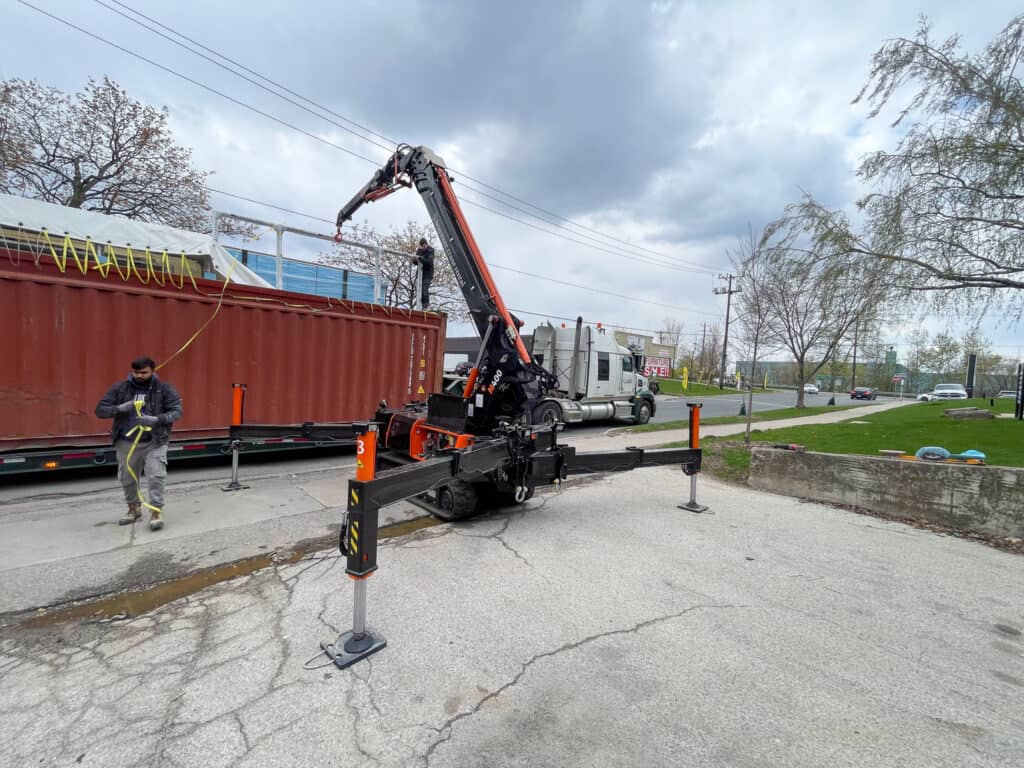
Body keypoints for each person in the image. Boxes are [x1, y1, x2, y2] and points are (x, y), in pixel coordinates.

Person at [95, 356, 183, 530]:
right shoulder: (120, 388)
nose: (139, 376)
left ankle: (156, 511)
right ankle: (133, 509)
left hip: (155, 441)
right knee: (127, 478)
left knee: (156, 476)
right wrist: (119, 408)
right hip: (126, 441)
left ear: (152, 371)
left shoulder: (164, 389)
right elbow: (100, 410)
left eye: (144, 373)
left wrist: (157, 419)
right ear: (131, 371)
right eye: (136, 372)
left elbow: (177, 411)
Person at [412, 237, 435, 309]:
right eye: (422, 246)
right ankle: (421, 305)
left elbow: (428, 261)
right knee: (419, 289)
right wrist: (414, 259)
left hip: (428, 273)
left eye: (424, 246)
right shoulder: (419, 250)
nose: (423, 248)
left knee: (425, 288)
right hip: (421, 272)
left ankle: (425, 305)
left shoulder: (430, 250)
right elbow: (416, 262)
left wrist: (420, 258)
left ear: (426, 244)